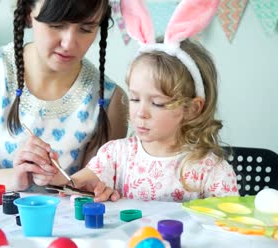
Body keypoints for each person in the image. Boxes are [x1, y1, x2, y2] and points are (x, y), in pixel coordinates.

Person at [38, 0, 239, 202]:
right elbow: (80, 184)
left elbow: (230, 227)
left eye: (157, 103)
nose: (140, 113)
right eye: (134, 99)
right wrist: (59, 178)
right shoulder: (114, 155)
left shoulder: (213, 171)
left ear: (192, 109)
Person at [0, 0, 129, 191]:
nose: (68, 43)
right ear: (28, 13)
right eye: (56, 25)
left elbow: (91, 193)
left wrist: (66, 181)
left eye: (86, 29)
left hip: (67, 220)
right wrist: (15, 178)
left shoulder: (110, 100)